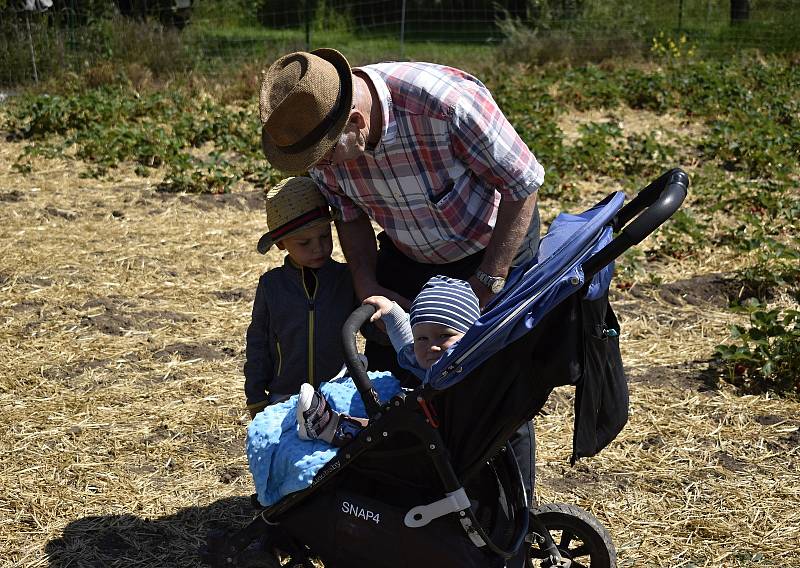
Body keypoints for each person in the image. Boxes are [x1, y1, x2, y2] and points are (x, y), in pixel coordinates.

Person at [258, 49, 541, 532]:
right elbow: (347, 214)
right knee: (391, 385)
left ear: (355, 119)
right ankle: (412, 511)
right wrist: (367, 282)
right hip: (408, 252)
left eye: (324, 155)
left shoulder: (444, 104)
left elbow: (523, 185)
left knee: (490, 389)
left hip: (489, 244)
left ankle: (505, 518)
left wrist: (490, 280)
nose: (320, 167)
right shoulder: (323, 139)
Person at [295, 275, 481, 448]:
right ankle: (342, 387)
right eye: (422, 339)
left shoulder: (469, 374)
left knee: (387, 425)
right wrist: (391, 312)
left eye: (444, 336)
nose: (432, 346)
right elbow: (408, 342)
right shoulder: (435, 363)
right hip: (425, 425)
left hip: (427, 440)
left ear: (471, 336)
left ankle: (330, 428)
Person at [244, 176, 358, 418]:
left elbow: (370, 328)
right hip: (285, 396)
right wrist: (255, 397)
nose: (318, 248)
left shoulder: (345, 279)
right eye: (304, 242)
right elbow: (258, 343)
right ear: (281, 244)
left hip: (337, 393)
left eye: (325, 237)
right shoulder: (271, 286)